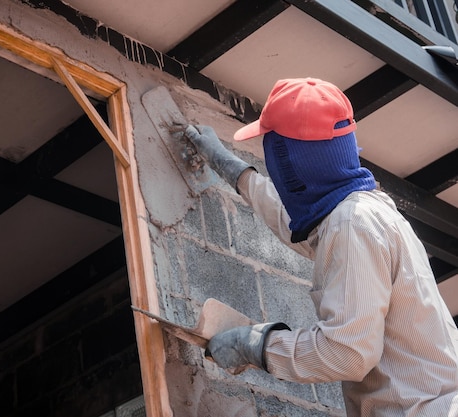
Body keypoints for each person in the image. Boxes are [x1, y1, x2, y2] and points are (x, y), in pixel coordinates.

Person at [184, 77, 458, 416]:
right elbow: (299, 227)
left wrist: (255, 345)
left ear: (290, 161)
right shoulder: (364, 211)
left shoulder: (353, 224)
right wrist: (235, 170)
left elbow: (347, 354)